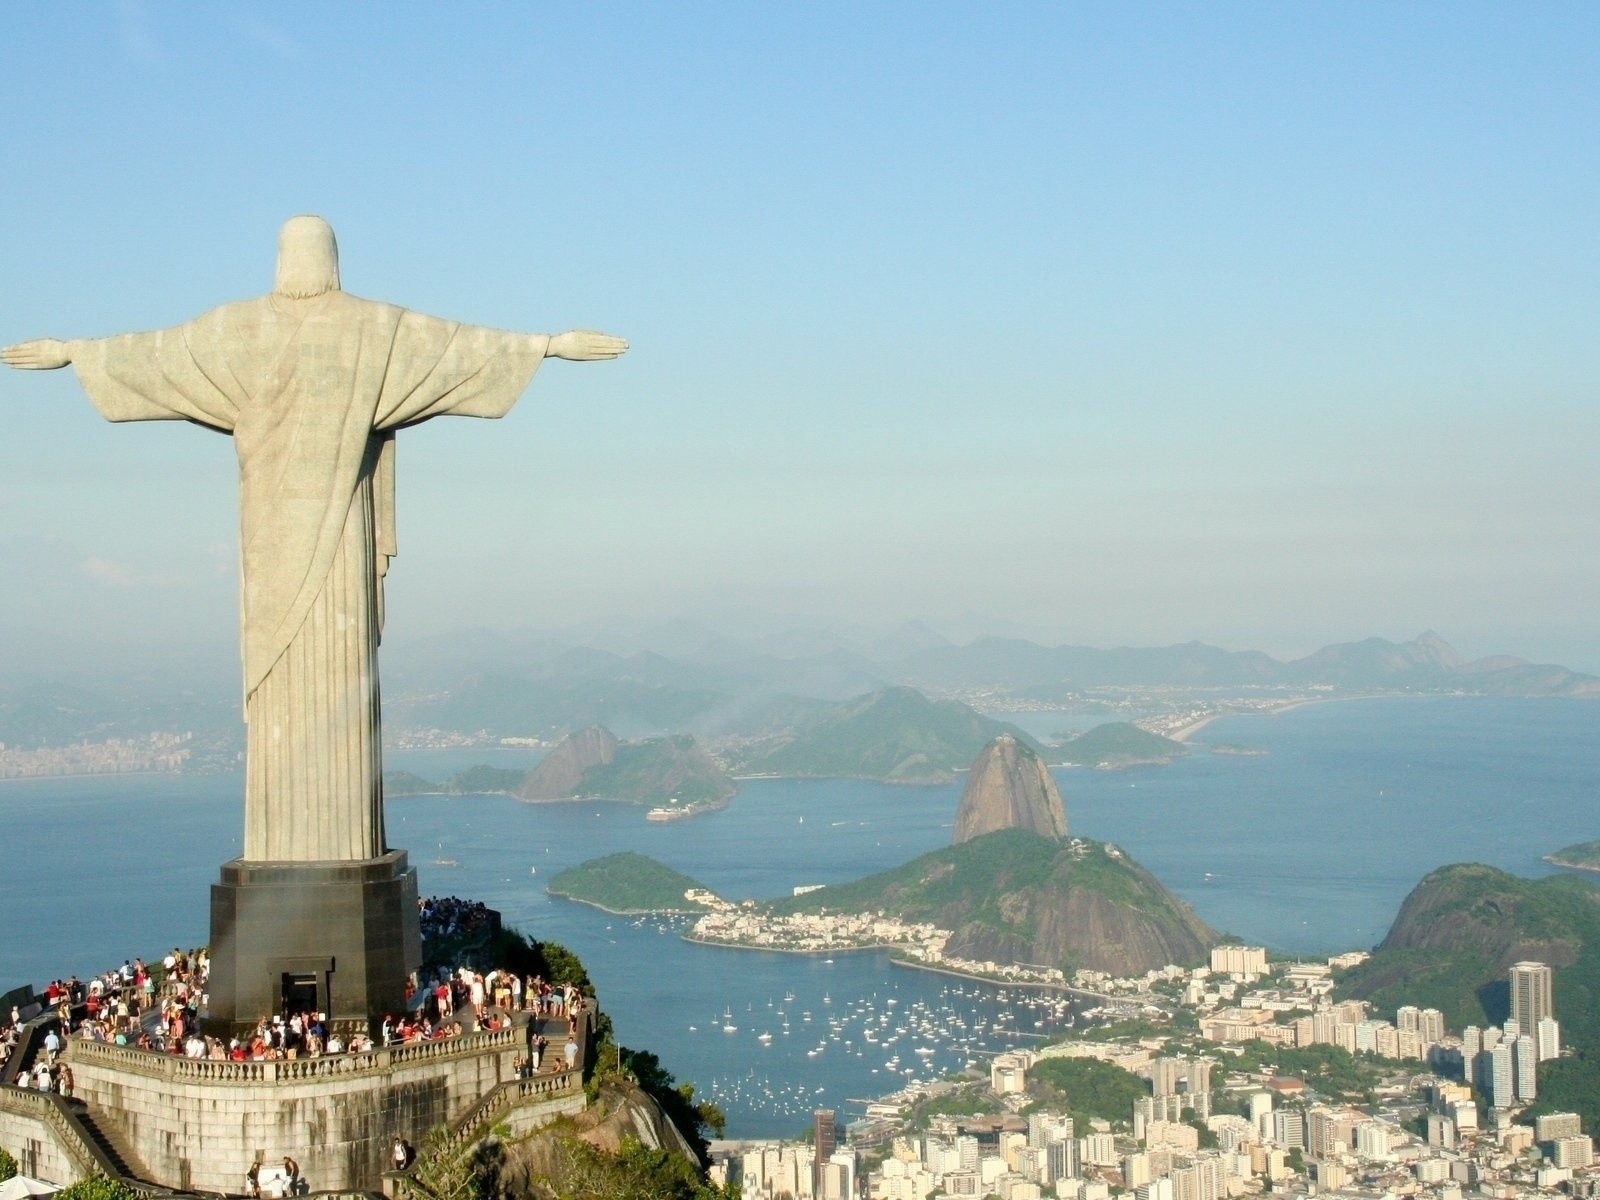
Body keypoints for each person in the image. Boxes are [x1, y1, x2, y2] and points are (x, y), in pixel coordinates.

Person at [1, 216, 625, 864]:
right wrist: (546, 345)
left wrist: (76, 352)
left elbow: (152, 355)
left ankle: (287, 851)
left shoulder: (235, 332)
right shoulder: (371, 330)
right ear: (333, 260)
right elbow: (457, 350)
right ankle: (333, 847)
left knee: (298, 691)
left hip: (272, 551)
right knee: (330, 686)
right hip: (327, 552)